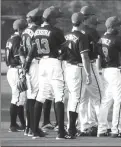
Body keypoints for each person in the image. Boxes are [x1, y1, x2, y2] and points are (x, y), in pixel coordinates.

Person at [25, 6, 73, 139]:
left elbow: (33, 50)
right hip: (54, 63)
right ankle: (61, 133)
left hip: (42, 64)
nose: (57, 20)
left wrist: (26, 67)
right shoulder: (56, 31)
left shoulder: (37, 31)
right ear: (50, 18)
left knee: (41, 95)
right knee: (59, 95)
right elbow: (64, 51)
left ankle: (34, 131)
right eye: (56, 18)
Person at [97, 16, 121, 138]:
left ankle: (102, 129)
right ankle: (116, 129)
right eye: (118, 25)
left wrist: (100, 71)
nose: (120, 27)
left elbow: (98, 56)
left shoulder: (101, 39)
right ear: (112, 27)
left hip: (105, 71)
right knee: (119, 101)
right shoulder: (117, 39)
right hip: (116, 71)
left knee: (106, 101)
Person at [64, 12, 92, 139]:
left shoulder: (66, 36)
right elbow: (84, 57)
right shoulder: (81, 36)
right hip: (77, 68)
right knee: (76, 98)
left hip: (68, 67)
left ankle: (70, 126)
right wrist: (89, 74)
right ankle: (71, 129)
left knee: (71, 98)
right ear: (82, 22)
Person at [78, 5, 103, 136]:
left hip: (77, 67)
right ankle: (102, 127)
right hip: (89, 65)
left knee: (83, 99)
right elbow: (100, 49)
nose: (95, 17)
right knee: (98, 96)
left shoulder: (76, 30)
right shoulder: (92, 32)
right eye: (93, 15)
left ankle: (84, 126)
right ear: (88, 17)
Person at [19, 8, 43, 136]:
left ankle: (29, 127)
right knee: (35, 96)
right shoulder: (37, 31)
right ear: (37, 19)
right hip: (35, 64)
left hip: (29, 64)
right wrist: (27, 66)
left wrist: (24, 66)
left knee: (30, 97)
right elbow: (33, 50)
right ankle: (34, 128)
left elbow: (21, 52)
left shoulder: (24, 32)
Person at [5, 18, 27, 132]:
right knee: (17, 98)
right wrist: (24, 69)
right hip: (17, 70)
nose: (26, 30)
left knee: (20, 98)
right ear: (20, 29)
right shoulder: (18, 39)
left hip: (11, 70)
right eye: (24, 28)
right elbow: (19, 56)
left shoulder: (10, 38)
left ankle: (23, 124)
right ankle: (13, 125)